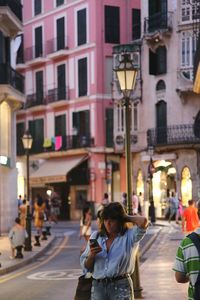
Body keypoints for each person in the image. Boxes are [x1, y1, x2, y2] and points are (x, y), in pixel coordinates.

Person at [80, 202, 148, 300]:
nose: (108, 223)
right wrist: (92, 255)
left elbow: (143, 221)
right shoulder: (96, 236)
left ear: (120, 220)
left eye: (112, 220)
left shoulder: (129, 236)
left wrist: (125, 216)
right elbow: (86, 266)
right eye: (106, 219)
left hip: (121, 286)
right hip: (99, 287)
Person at [173, 200, 200, 300]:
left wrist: (192, 276)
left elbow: (179, 277)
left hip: (191, 231)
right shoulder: (193, 209)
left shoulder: (186, 243)